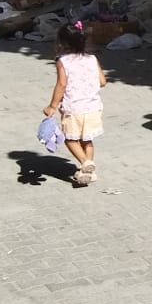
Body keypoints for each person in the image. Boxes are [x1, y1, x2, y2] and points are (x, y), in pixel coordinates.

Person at [43, 21, 108, 187]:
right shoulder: (92, 58)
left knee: (70, 139)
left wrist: (52, 106)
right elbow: (102, 81)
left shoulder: (62, 61)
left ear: (62, 43)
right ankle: (89, 172)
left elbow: (61, 84)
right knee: (87, 140)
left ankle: (85, 163)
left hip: (74, 108)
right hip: (93, 107)